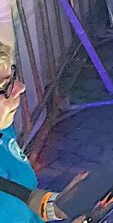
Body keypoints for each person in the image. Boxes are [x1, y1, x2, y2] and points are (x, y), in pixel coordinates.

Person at [0, 41, 93, 222]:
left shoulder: (3, 129)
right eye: (5, 86)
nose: (21, 87)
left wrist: (57, 205)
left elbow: (17, 192)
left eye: (13, 74)